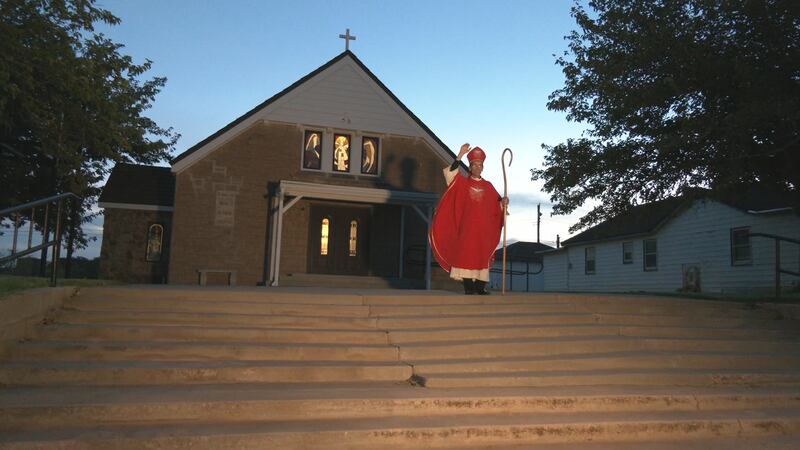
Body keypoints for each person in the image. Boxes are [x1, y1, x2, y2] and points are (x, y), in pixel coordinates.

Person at [430, 143, 509, 294]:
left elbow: (497, 204)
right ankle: (469, 287)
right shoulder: (462, 182)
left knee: (483, 256)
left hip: (484, 231)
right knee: (465, 255)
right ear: (470, 166)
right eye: (474, 165)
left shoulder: (488, 186)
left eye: (480, 165)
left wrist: (503, 203)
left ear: (483, 167)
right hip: (467, 229)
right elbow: (450, 174)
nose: (477, 167)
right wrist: (459, 155)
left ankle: (480, 287)